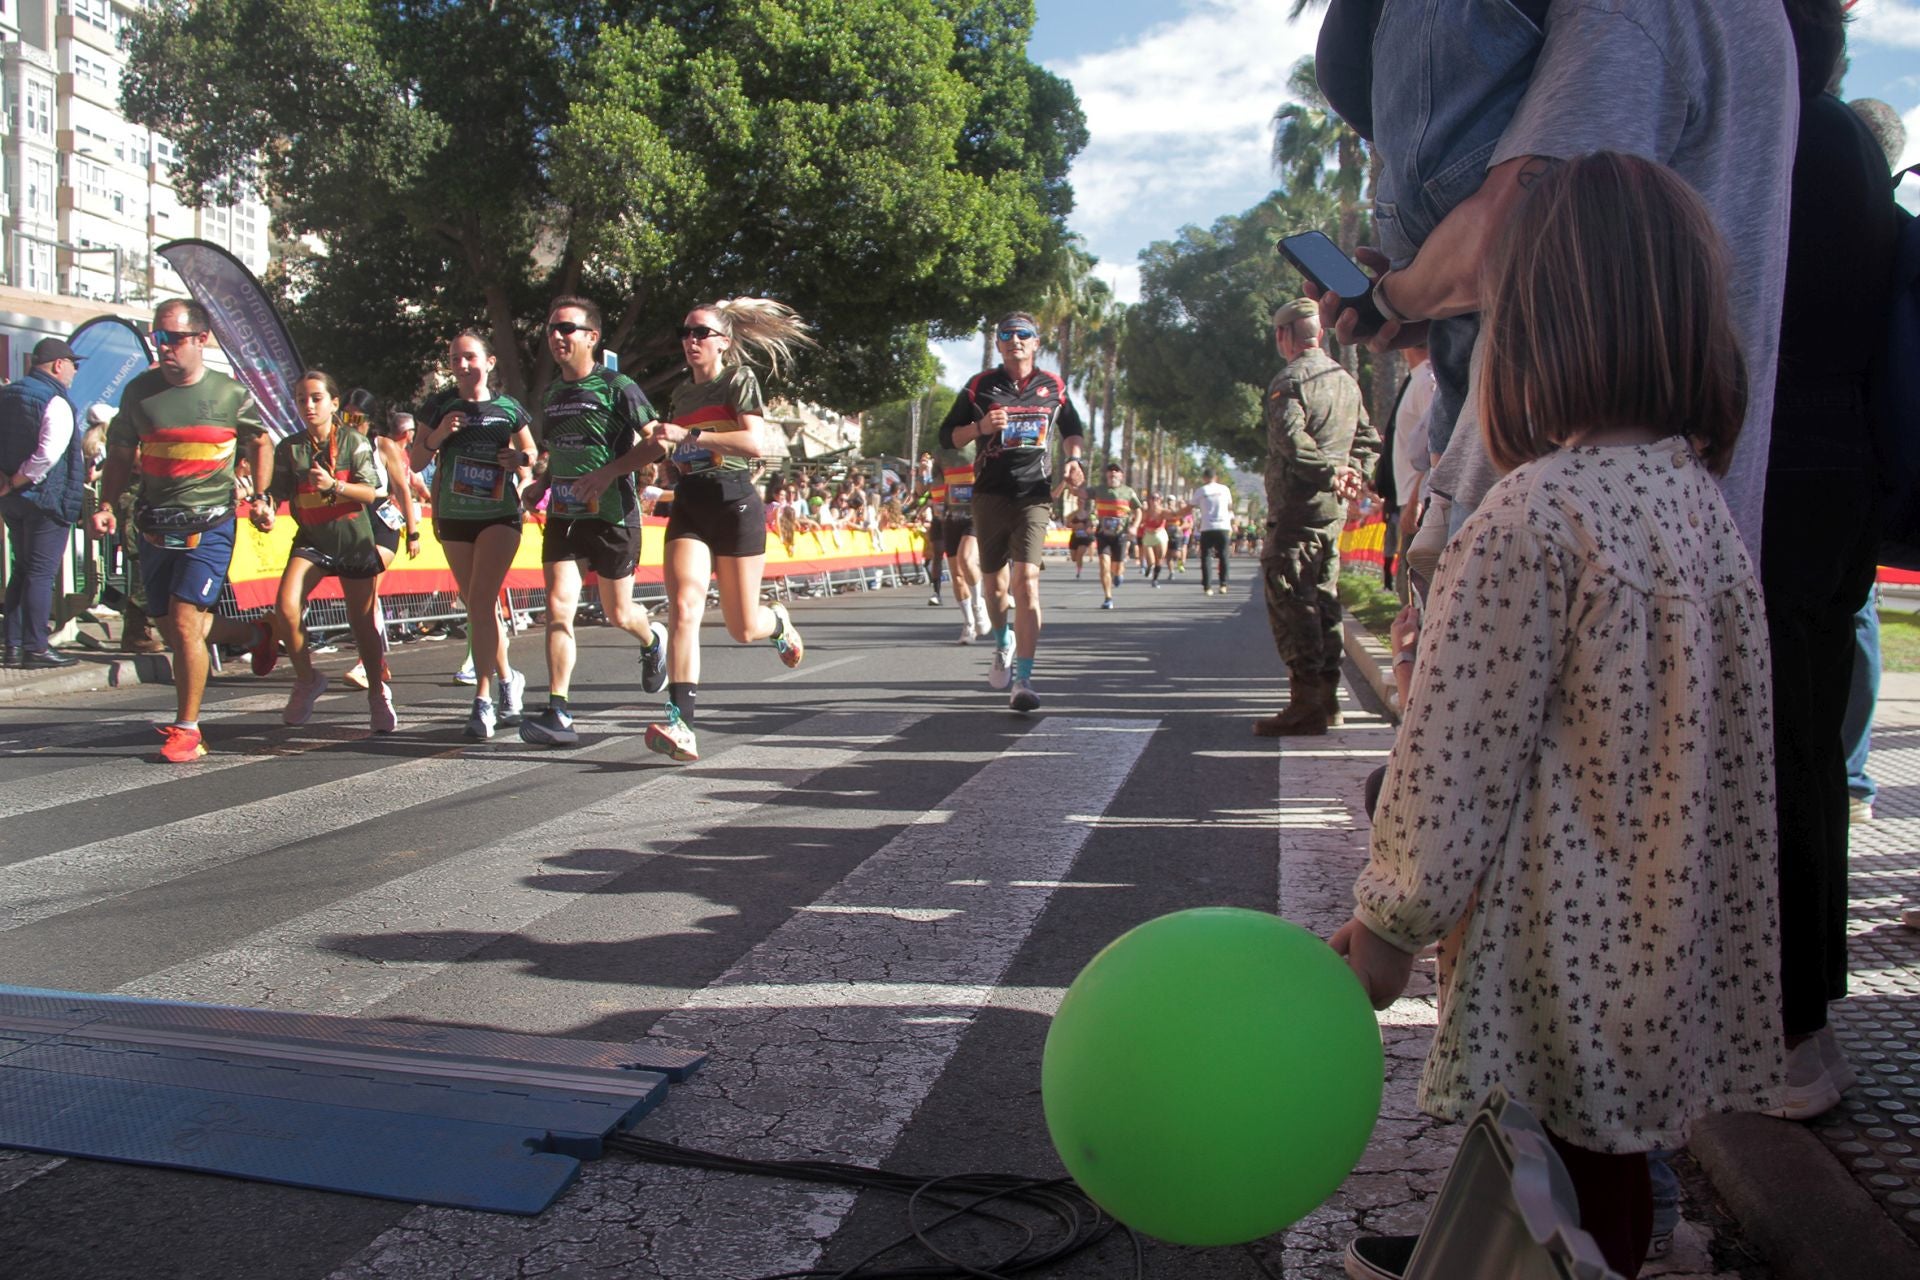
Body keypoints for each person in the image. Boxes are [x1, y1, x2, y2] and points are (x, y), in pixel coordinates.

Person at [1335, 153, 1782, 1280]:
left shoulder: (1532, 515)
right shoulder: (1698, 506)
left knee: (1564, 1197)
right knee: (1599, 1182)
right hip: (1664, 935)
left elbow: (1453, 756)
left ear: (1527, 327)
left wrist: (1389, 929)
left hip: (1556, 953)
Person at [1757, 0, 1900, 1122]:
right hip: (1846, 465)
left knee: (1772, 749)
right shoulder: (1851, 141)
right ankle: (1808, 1024)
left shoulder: (1777, 140)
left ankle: (1789, 1030)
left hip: (1777, 468)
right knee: (1805, 744)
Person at [90, 298, 277, 763]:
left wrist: (260, 496)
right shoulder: (139, 393)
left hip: (210, 524)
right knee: (171, 626)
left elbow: (260, 441)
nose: (164, 346)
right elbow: (119, 454)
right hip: (155, 524)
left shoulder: (230, 394)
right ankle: (255, 635)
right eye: (158, 337)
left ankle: (188, 729)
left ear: (201, 339)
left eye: (173, 337)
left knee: (183, 620)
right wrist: (106, 505)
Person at [641, 297, 810, 763]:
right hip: (690, 505)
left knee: (742, 626)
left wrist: (689, 437)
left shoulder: (738, 379)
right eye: (685, 332)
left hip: (734, 503)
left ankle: (777, 622)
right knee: (683, 608)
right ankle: (682, 725)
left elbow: (754, 442)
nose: (691, 340)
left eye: (701, 333)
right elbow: (674, 449)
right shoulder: (681, 394)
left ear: (724, 342)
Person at [517, 297, 670, 747]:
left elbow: (658, 443)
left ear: (591, 336)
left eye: (567, 328)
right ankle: (558, 711)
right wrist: (542, 484)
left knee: (618, 613)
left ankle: (651, 639)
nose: (557, 336)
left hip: (613, 515)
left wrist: (608, 474)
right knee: (558, 607)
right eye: (551, 328)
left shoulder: (618, 386)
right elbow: (560, 452)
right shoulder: (551, 394)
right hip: (564, 515)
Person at [938, 311, 1086, 713]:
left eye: (1023, 334)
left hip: (1034, 495)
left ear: (1036, 342)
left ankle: (1024, 680)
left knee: (1027, 584)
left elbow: (1073, 429)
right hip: (990, 494)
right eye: (1006, 334)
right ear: (998, 343)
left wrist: (1075, 460)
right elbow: (947, 436)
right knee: (995, 588)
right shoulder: (980, 386)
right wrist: (981, 427)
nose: (1014, 340)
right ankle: (1003, 642)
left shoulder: (1053, 386)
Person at [1254, 303, 1377, 737]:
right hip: (1332, 511)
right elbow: (1367, 440)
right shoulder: (1345, 381)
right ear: (1320, 335)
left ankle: (1306, 704)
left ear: (1283, 335)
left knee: (1293, 599)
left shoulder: (1290, 380)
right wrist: (1352, 474)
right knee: (1324, 598)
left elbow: (1290, 440)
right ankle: (1328, 699)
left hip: (1297, 509)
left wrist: (1330, 473)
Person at [411, 330, 536, 739]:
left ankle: (482, 699)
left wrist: (518, 459)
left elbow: (532, 455)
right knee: (479, 607)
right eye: (454, 358)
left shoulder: (508, 407)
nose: (462, 365)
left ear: (489, 362)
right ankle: (508, 679)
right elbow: (416, 459)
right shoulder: (439, 405)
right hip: (455, 515)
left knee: (481, 602)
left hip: (499, 515)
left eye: (469, 357)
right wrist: (440, 434)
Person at [262, 371, 396, 732]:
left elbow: (370, 493)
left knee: (362, 622)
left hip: (352, 538)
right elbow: (276, 491)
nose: (308, 405)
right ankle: (307, 680)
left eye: (316, 398)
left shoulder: (354, 442)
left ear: (334, 403)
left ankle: (377, 693)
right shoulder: (290, 447)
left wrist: (335, 484)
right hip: (312, 539)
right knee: (286, 606)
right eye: (301, 399)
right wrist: (265, 507)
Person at [0, 338, 86, 667]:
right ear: (58, 365)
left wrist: (7, 481)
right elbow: (48, 454)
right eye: (74, 365)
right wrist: (19, 478)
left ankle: (13, 645)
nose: (75, 372)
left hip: (13, 499)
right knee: (40, 573)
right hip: (46, 497)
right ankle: (36, 647)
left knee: (22, 570)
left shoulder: (7, 394)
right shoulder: (55, 399)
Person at [340, 394, 419, 692]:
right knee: (361, 600)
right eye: (345, 417)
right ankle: (378, 660)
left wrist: (413, 532)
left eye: (356, 418)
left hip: (382, 520)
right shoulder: (338, 446)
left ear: (369, 420)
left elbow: (402, 488)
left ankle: (366, 664)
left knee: (370, 590)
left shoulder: (382, 445)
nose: (350, 423)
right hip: (353, 520)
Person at [932, 444, 989, 642]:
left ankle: (978, 604)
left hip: (976, 515)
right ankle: (969, 624)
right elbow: (935, 481)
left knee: (966, 559)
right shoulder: (941, 451)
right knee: (956, 575)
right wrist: (937, 502)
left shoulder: (983, 444)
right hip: (951, 516)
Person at [1082, 462, 1140, 610]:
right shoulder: (1098, 490)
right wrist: (1070, 481)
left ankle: (1118, 574)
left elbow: (1138, 511)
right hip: (1103, 534)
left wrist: (1134, 526)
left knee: (1117, 567)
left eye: (1116, 470)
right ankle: (1108, 597)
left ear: (1121, 475)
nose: (1113, 473)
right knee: (1104, 564)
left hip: (1120, 535)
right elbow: (1080, 493)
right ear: (1106, 474)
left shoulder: (1128, 492)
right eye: (1110, 470)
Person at [1186, 468, 1233, 596]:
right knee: (1223, 556)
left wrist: (1175, 514)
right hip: (1223, 526)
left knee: (1206, 556)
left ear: (1204, 478)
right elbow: (1229, 507)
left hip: (1207, 527)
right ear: (1216, 477)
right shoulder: (1225, 489)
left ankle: (1208, 587)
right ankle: (1223, 585)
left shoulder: (1201, 490)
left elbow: (1190, 507)